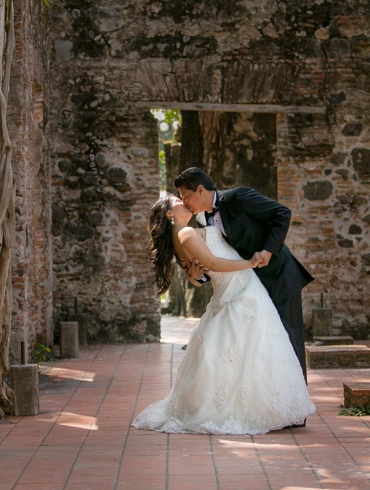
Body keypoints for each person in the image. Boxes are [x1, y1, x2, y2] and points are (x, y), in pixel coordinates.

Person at [131, 195, 316, 435]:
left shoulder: (184, 234)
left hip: (235, 290)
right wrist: (249, 264)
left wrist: (196, 276)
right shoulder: (185, 233)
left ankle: (246, 406)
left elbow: (196, 276)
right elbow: (214, 263)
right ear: (169, 214)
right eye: (178, 200)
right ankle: (249, 409)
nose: (184, 201)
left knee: (244, 351)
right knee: (254, 348)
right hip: (240, 289)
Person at [174, 168, 314, 382]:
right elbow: (220, 258)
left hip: (279, 277)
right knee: (266, 347)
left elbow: (281, 213)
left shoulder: (238, 197)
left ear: (200, 189)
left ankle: (298, 407)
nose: (185, 202)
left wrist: (268, 250)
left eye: (186, 196)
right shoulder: (204, 221)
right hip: (251, 286)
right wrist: (199, 276)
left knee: (289, 340)